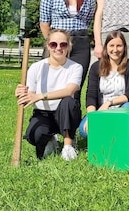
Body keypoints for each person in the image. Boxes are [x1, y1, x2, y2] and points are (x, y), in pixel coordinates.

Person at [15, 29, 82, 161]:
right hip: (43, 113)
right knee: (34, 136)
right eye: (53, 44)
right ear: (48, 46)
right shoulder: (36, 67)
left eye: (63, 44)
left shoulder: (75, 67)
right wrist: (21, 93)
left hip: (65, 114)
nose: (58, 48)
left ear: (69, 46)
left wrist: (40, 96)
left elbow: (69, 91)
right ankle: (50, 139)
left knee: (68, 101)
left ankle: (68, 145)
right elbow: (30, 95)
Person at [40, 0, 96, 92]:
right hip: (58, 42)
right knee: (53, 82)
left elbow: (87, 21)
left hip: (81, 44)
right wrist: (53, 42)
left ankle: (73, 112)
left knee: (75, 85)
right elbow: (44, 22)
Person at [79, 31, 129, 138]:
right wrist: (92, 117)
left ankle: (113, 137)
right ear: (106, 47)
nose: (115, 50)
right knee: (84, 131)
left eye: (119, 46)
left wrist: (109, 103)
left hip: (122, 108)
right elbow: (91, 96)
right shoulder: (96, 67)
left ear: (124, 47)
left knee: (128, 107)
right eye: (111, 45)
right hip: (101, 111)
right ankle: (110, 134)